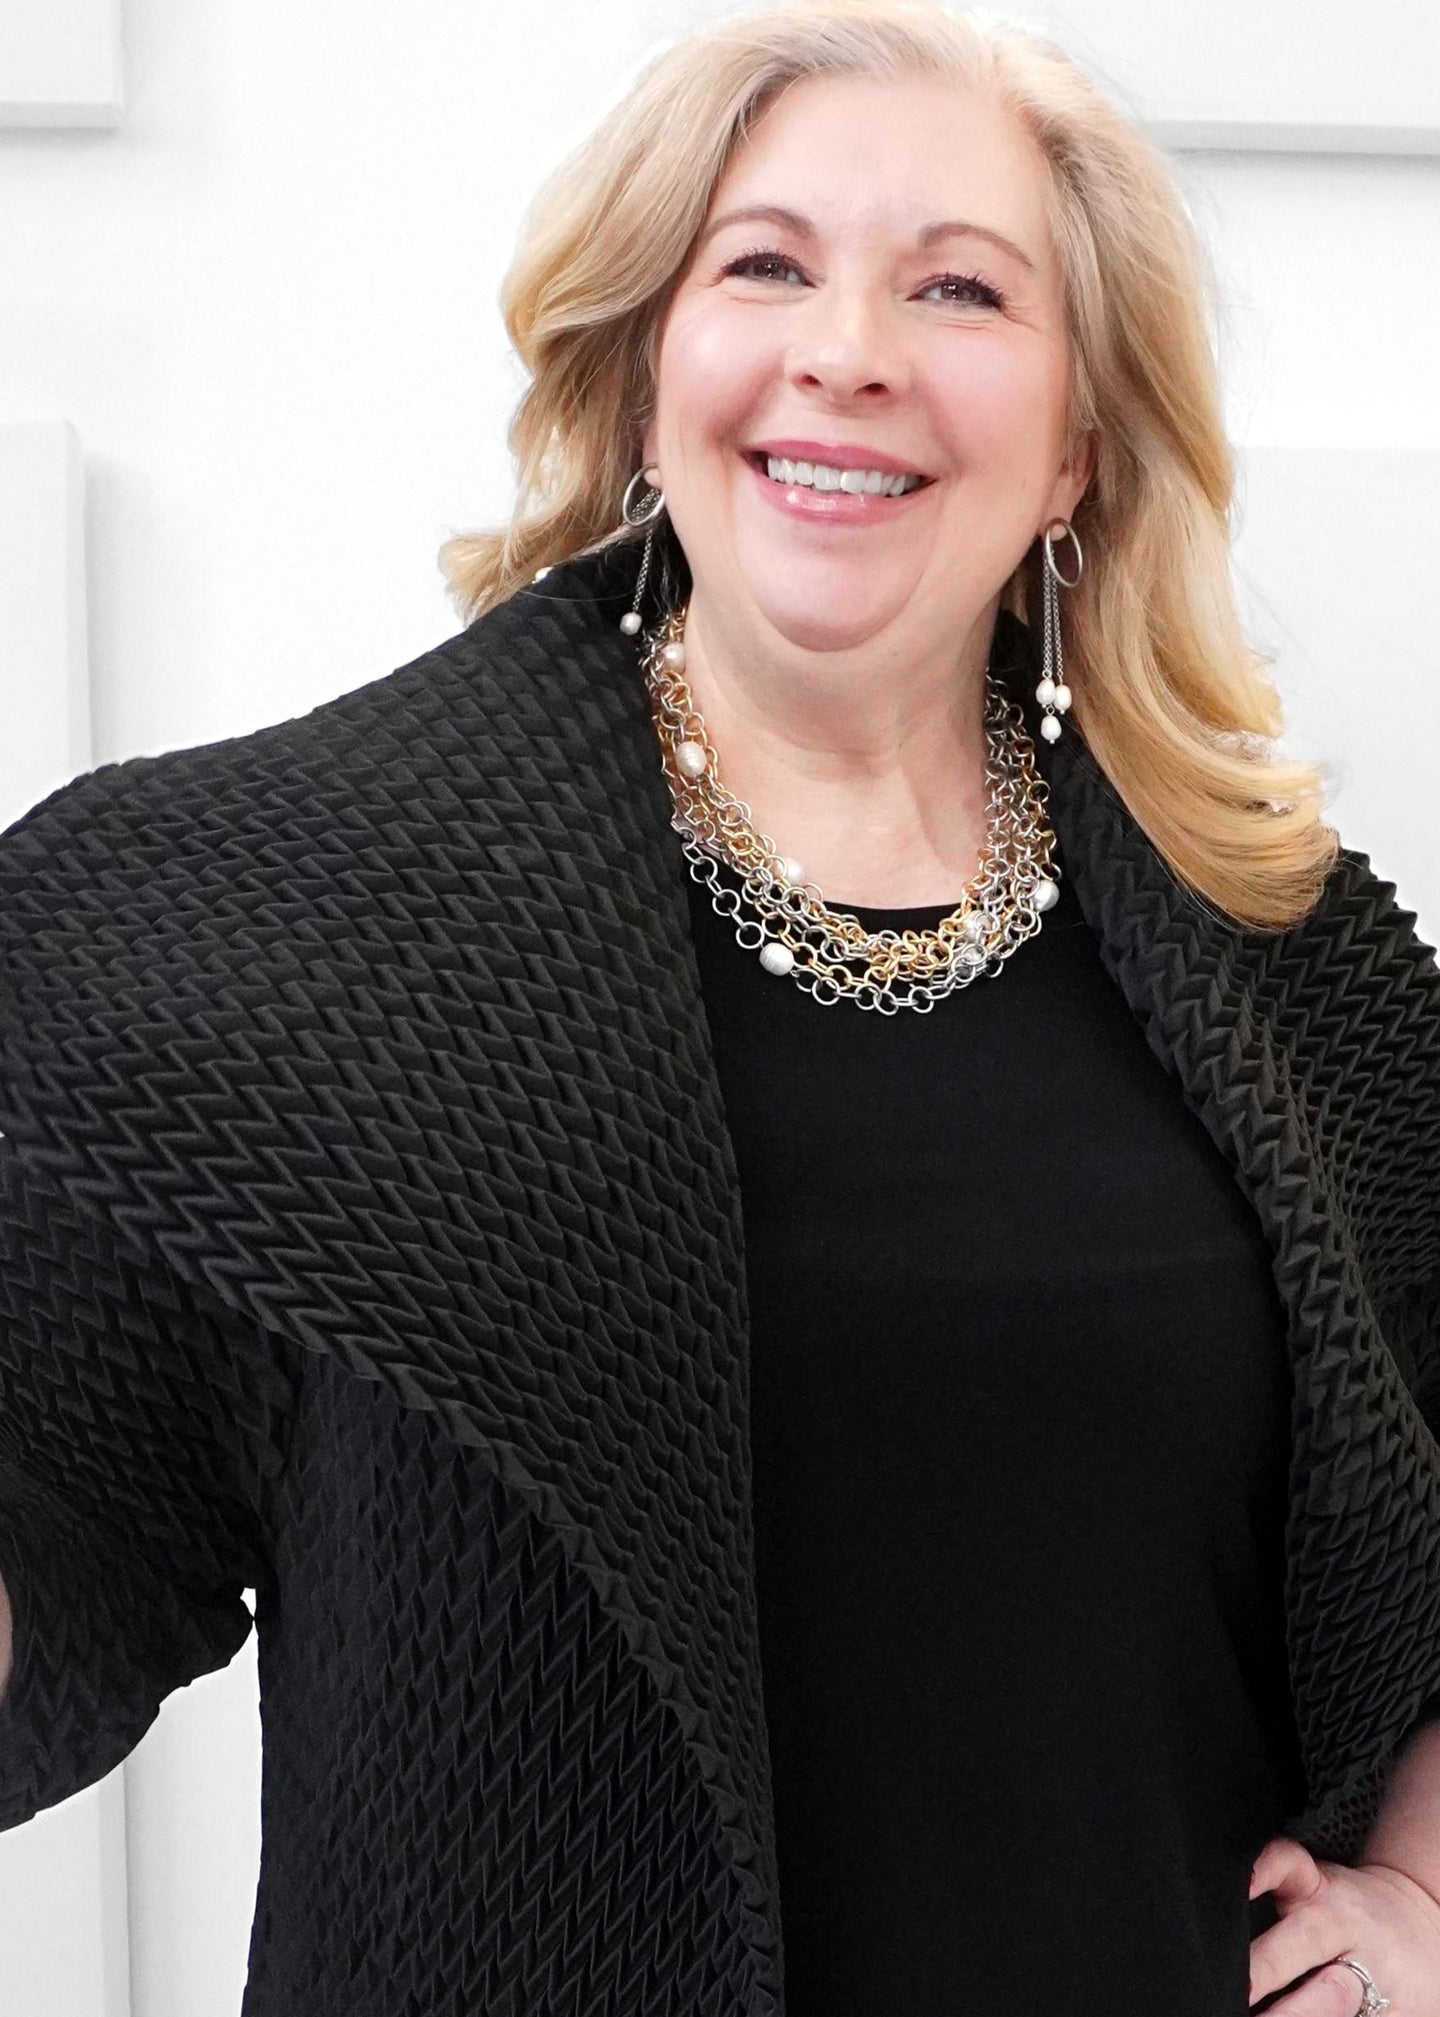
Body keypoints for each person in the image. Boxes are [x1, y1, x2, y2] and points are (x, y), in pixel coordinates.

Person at [1, 2, 1439, 2013]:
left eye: (959, 287)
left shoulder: (1288, 966)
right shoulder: (295, 939)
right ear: (647, 370)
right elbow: (65, 1523)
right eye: (765, 265)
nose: (849, 347)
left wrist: (1419, 1901)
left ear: (1079, 445)